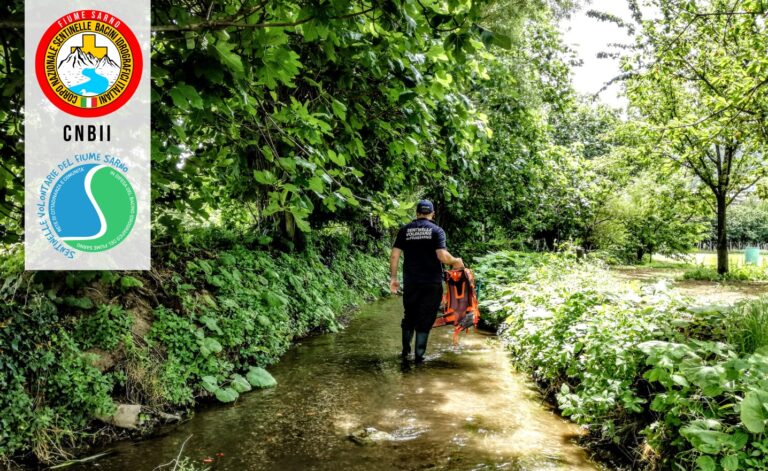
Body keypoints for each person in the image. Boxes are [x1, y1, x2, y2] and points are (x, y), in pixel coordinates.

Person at [389, 200, 464, 364]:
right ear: (432, 214)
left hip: (411, 282)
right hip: (431, 283)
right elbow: (442, 256)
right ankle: (419, 357)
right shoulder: (437, 230)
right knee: (425, 318)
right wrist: (456, 261)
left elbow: (394, 255)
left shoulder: (405, 230)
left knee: (409, 315)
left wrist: (393, 278)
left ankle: (405, 353)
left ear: (416, 213)